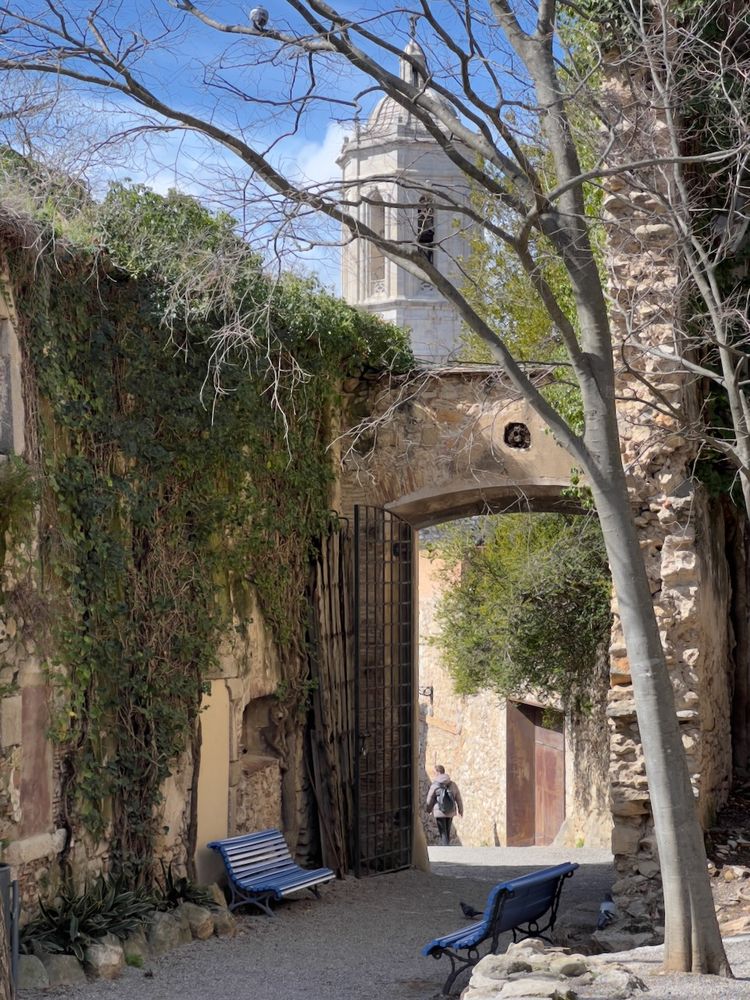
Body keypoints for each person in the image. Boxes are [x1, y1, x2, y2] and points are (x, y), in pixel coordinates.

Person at [426, 764, 463, 846]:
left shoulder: (435, 785)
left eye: (435, 772)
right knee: (447, 830)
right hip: (451, 810)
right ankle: (447, 846)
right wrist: (460, 810)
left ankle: (446, 848)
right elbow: (458, 798)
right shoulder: (453, 784)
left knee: (443, 832)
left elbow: (430, 798)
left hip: (439, 811)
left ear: (438, 772)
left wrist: (428, 809)